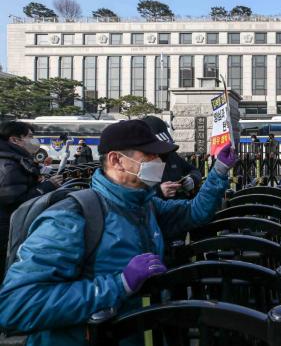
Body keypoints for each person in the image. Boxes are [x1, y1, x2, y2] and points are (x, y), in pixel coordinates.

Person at [0, 119, 236, 345]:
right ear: (116, 160)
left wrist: (219, 171)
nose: (159, 162)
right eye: (150, 155)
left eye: (160, 155)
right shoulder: (72, 217)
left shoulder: (145, 205)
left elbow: (194, 213)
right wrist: (118, 285)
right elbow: (17, 305)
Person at [0, 121, 63, 281]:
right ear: (15, 140)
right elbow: (15, 201)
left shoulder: (14, 160)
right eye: (30, 136)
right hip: (6, 230)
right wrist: (47, 186)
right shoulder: (9, 164)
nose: (34, 140)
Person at [141, 116, 202, 200]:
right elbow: (135, 193)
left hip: (181, 206)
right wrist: (159, 191)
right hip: (157, 210)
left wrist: (192, 179)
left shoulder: (172, 155)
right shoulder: (138, 162)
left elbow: (195, 171)